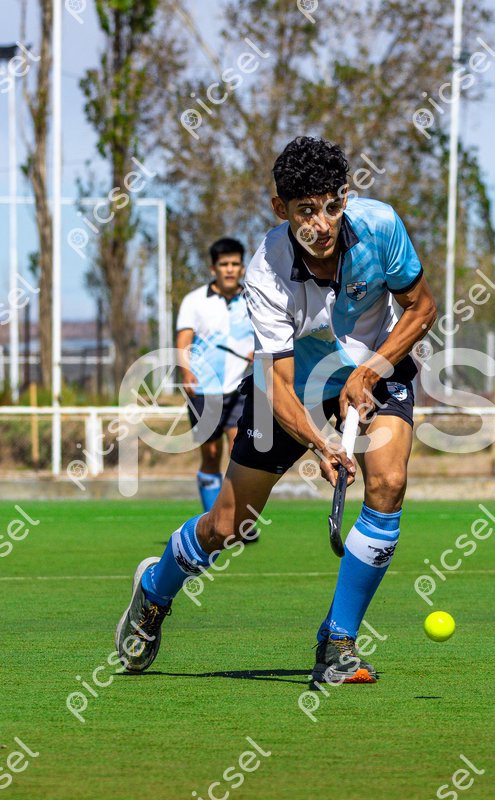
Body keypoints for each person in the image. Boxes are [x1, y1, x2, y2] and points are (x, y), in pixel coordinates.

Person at [115, 136, 437, 684]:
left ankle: (338, 641)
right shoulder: (266, 271)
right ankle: (154, 590)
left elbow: (421, 308)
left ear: (345, 198)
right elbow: (277, 383)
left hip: (378, 363)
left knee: (388, 482)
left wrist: (368, 371)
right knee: (229, 525)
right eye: (305, 211)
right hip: (298, 385)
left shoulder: (381, 226)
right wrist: (322, 443)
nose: (322, 224)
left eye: (331, 206)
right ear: (279, 209)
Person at [175, 237, 254, 512]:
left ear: (242, 268)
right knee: (210, 455)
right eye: (224, 264)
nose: (229, 269)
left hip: (240, 389)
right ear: (213, 268)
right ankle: (212, 519)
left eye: (234, 264)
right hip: (204, 390)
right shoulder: (194, 301)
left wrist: (259, 352)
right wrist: (186, 372)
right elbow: (183, 341)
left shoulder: (254, 299)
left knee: (239, 452)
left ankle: (235, 518)